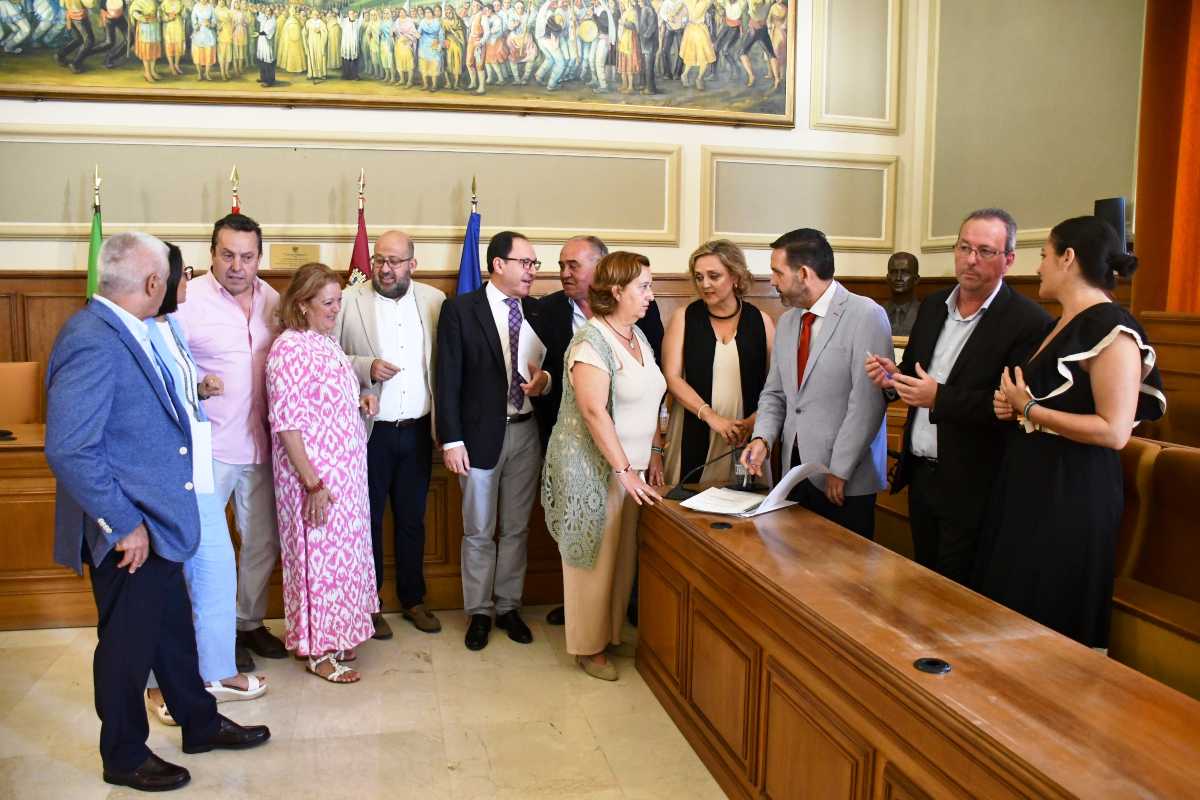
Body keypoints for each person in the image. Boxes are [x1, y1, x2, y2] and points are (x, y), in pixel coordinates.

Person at [45, 232, 270, 793]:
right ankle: (123, 755)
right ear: (153, 283)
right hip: (130, 531)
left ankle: (199, 723)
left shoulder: (134, 328)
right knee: (127, 646)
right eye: (174, 277)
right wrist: (122, 524)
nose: (178, 285)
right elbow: (70, 448)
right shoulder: (92, 339)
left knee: (172, 632)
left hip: (158, 521)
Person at [976, 216, 1165, 648]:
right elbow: (1041, 404)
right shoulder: (1058, 323)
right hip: (1031, 480)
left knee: (1049, 613)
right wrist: (1013, 408)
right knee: (1010, 605)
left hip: (1072, 491)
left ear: (1068, 258)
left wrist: (1031, 409)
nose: (1038, 266)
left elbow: (1114, 431)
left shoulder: (1113, 328)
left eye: (1044, 255)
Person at [866, 210, 1051, 584]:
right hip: (922, 473)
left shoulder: (1028, 321)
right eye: (964, 248)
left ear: (1008, 260)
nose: (970, 259)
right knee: (922, 582)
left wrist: (939, 398)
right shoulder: (934, 306)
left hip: (974, 482)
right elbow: (915, 372)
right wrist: (892, 377)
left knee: (957, 593)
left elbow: (1007, 406)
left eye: (985, 251)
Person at [144, 244, 268, 727]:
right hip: (176, 468)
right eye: (184, 276)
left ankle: (214, 670)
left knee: (216, 568)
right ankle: (159, 684)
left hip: (199, 459)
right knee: (167, 579)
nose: (190, 282)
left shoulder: (167, 326)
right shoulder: (142, 330)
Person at [542, 252, 667, 681]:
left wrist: (654, 452)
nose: (651, 295)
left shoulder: (637, 335)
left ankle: (610, 633)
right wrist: (623, 470)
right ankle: (588, 647)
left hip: (633, 469)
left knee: (622, 558)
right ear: (617, 291)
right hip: (594, 469)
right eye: (643, 287)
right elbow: (594, 411)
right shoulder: (590, 341)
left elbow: (652, 397)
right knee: (592, 563)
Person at [173, 213, 286, 674]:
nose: (238, 266)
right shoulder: (188, 301)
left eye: (247, 256)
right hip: (211, 447)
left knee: (261, 542)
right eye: (228, 255)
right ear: (212, 254)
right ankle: (212, 634)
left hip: (264, 445)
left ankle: (247, 623)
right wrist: (198, 386)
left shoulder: (274, 301)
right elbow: (167, 366)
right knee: (206, 550)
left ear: (259, 257)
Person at [436, 230, 550, 651]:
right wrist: (452, 440)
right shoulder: (461, 309)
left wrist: (545, 381)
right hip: (478, 437)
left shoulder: (537, 310)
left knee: (517, 528)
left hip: (526, 432)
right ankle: (479, 611)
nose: (532, 271)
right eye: (526, 263)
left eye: (534, 264)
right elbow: (447, 378)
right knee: (479, 530)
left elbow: (553, 368)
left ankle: (508, 606)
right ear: (498, 264)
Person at [266, 263, 380, 682]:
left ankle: (336, 635)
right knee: (318, 563)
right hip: (314, 480)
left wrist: (360, 401)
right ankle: (318, 651)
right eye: (328, 302)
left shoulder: (325, 342)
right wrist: (312, 483)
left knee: (343, 560)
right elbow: (287, 424)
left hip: (346, 477)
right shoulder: (289, 349)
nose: (336, 309)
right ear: (302, 304)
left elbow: (326, 401)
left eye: (338, 301)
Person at [742, 228, 891, 539]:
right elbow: (775, 394)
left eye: (777, 272)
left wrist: (840, 469)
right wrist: (762, 439)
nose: (772, 280)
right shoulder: (787, 322)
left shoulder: (866, 315)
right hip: (794, 474)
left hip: (844, 479)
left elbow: (867, 404)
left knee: (844, 566)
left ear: (804, 274)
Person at [334, 231, 446, 640]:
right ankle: (370, 604)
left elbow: (445, 364)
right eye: (379, 259)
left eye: (395, 261)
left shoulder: (435, 301)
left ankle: (414, 599)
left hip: (417, 431)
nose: (385, 268)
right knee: (368, 520)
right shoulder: (348, 300)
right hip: (369, 434)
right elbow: (327, 356)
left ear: (412, 264)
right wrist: (365, 367)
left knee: (413, 519)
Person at [663, 239, 774, 486]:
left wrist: (752, 422)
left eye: (714, 276)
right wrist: (712, 417)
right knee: (687, 499)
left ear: (735, 276)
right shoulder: (684, 318)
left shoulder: (762, 321)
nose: (705, 284)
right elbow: (672, 377)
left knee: (747, 500)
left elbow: (776, 385)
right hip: (694, 426)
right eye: (699, 277)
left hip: (746, 433)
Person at [882, 251, 920, 337]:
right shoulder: (879, 312)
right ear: (887, 278)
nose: (898, 278)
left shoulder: (924, 313)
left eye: (905, 273)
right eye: (894, 272)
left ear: (916, 279)